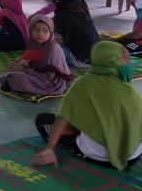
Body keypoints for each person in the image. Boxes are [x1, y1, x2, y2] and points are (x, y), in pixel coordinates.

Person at [32, 42, 142, 172]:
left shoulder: (83, 84)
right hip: (134, 155)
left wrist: (49, 148)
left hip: (103, 157)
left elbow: (63, 116)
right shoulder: (130, 90)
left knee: (43, 120)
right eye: (126, 60)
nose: (129, 64)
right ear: (111, 63)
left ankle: (77, 148)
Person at [0, 15, 73, 96]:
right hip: (37, 74)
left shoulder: (53, 48)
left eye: (45, 31)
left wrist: (26, 71)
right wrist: (18, 65)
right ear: (31, 30)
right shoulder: (35, 43)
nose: (40, 34)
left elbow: (50, 76)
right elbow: (27, 59)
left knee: (15, 77)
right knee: (13, 69)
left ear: (51, 32)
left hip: (52, 82)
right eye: (37, 30)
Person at [53, 0, 100, 66]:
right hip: (97, 54)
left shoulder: (61, 16)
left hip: (82, 59)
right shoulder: (84, 12)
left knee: (50, 50)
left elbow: (59, 41)